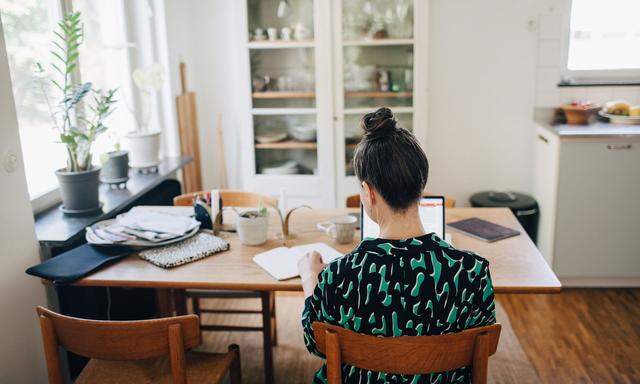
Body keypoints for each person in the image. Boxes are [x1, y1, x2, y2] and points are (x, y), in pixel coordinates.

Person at [298, 107, 496, 383]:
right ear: (422, 185)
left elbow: (315, 342)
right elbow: (482, 350)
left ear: (368, 193)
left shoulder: (337, 276)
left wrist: (310, 280)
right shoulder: (473, 271)